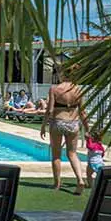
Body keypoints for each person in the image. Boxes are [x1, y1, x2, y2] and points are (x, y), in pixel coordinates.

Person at [41, 65, 89, 194]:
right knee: (72, 153)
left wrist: (43, 126)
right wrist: (87, 129)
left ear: (62, 75)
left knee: (56, 155)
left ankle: (57, 184)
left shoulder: (55, 89)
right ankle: (80, 179)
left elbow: (50, 110)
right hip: (73, 124)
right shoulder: (78, 90)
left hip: (58, 123)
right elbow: (83, 112)